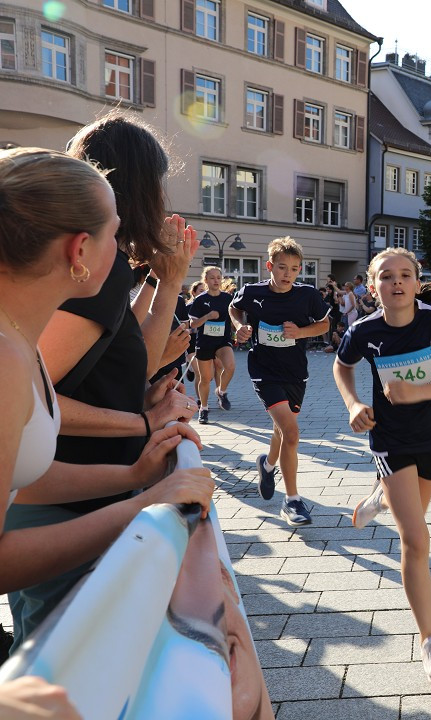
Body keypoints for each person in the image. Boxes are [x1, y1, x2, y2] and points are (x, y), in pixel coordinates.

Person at [0, 147, 214, 648]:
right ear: (79, 251)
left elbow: (23, 479)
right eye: (114, 234)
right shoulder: (7, 357)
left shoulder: (18, 342)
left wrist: (134, 477)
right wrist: (148, 503)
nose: (124, 249)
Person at [333, 247, 431, 683]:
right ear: (371, 286)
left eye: (404, 275)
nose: (396, 282)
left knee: (412, 513)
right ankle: (430, 643)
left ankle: (379, 496)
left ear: (417, 282)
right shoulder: (364, 330)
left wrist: (419, 393)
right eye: (386, 277)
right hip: (390, 441)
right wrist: (353, 402)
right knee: (415, 541)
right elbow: (342, 367)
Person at [231, 237, 330, 526]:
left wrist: (300, 332)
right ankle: (293, 501)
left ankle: (267, 464)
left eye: (295, 269)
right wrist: (240, 327)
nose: (288, 274)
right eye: (283, 267)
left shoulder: (307, 295)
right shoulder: (253, 291)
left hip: (295, 371)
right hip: (264, 370)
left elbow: (325, 324)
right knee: (292, 431)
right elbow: (235, 309)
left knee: (282, 430)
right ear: (270, 266)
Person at [187, 266, 236, 423]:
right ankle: (204, 409)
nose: (216, 280)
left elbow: (235, 316)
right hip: (205, 342)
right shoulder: (200, 300)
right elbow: (193, 324)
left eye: (218, 277)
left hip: (222, 341)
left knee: (230, 366)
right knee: (205, 378)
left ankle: (221, 392)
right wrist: (207, 316)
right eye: (212, 278)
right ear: (205, 280)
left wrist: (239, 328)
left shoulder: (228, 299)